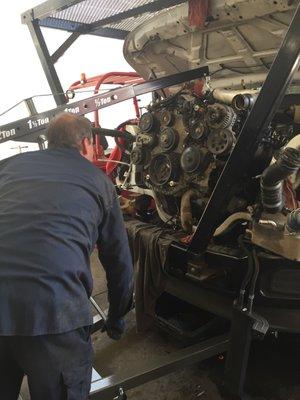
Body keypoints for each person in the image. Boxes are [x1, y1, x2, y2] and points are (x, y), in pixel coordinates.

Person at [0, 113, 133, 400]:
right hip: (52, 314)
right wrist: (117, 316)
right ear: (87, 143)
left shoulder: (9, 167)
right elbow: (119, 262)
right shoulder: (99, 183)